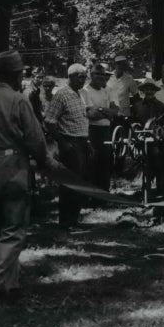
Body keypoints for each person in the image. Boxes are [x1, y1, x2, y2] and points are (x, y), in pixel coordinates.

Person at [0, 49, 54, 297]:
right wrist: (43, 162)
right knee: (14, 227)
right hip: (11, 167)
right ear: (16, 75)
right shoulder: (17, 99)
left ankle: (10, 284)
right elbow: (36, 139)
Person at [44, 63, 90, 229]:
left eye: (85, 77)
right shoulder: (62, 95)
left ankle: (74, 220)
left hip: (82, 142)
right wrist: (63, 143)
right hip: (70, 144)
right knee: (69, 184)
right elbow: (49, 121)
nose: (83, 80)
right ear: (70, 77)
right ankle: (66, 222)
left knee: (79, 182)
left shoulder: (79, 94)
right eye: (80, 77)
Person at [82, 62, 117, 191]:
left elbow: (115, 112)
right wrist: (106, 112)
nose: (101, 77)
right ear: (91, 75)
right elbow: (91, 114)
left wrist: (101, 109)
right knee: (92, 162)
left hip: (106, 131)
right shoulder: (85, 91)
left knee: (106, 162)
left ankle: (104, 194)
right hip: (91, 131)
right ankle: (92, 194)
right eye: (97, 74)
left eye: (103, 75)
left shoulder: (106, 91)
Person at [107, 55, 138, 125]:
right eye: (118, 63)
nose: (120, 66)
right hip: (110, 114)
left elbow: (136, 95)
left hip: (124, 114)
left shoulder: (129, 78)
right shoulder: (109, 77)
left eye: (123, 64)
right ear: (115, 65)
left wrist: (136, 111)